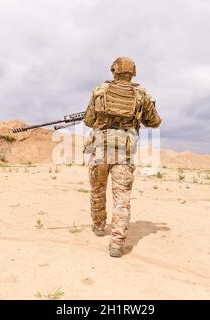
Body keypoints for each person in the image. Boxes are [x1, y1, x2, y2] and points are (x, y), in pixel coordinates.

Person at [83, 57, 162, 258]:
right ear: (133, 72)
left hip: (100, 149)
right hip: (124, 153)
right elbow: (154, 122)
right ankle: (117, 244)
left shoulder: (99, 90)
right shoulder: (141, 93)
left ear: (114, 70)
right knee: (122, 200)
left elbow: (88, 120)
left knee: (98, 190)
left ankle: (99, 226)